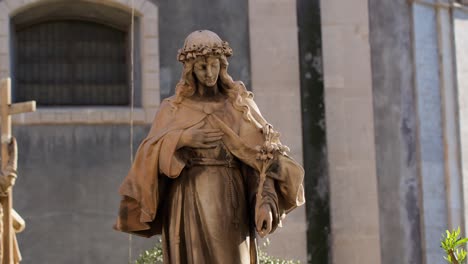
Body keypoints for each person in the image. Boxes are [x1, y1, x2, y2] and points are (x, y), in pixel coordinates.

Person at [115, 30, 305, 264]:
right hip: (186, 200)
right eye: (201, 67)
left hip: (229, 201)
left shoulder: (239, 105)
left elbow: (264, 157)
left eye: (214, 65)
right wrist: (182, 138)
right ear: (190, 70)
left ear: (222, 65)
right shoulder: (173, 108)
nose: (209, 73)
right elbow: (147, 156)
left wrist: (266, 202)